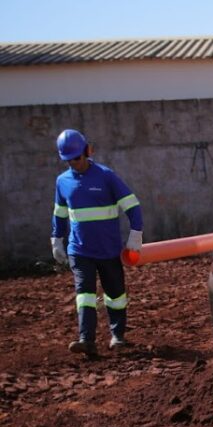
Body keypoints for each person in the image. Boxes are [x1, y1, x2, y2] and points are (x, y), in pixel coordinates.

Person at [51, 129, 144, 356]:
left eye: (77, 158)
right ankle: (86, 339)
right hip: (80, 250)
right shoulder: (62, 182)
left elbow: (133, 206)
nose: (74, 163)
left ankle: (118, 337)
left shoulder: (106, 176)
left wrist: (135, 234)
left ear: (87, 151)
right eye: (68, 160)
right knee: (85, 293)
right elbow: (60, 214)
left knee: (116, 295)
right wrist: (57, 239)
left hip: (109, 250)